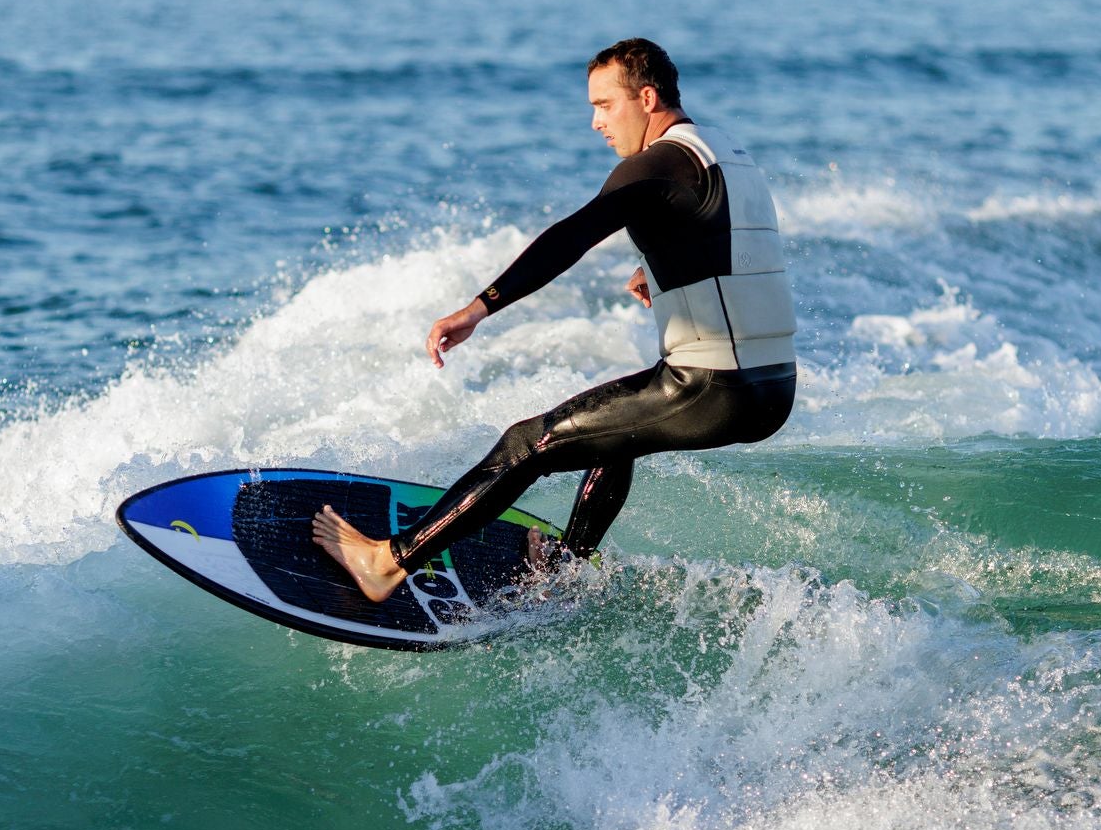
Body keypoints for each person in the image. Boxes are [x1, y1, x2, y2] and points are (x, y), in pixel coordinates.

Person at [313, 38, 798, 602]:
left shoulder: (651, 166)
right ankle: (568, 565)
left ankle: (388, 563)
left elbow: (569, 238)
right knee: (619, 431)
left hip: (714, 389)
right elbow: (732, 238)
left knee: (525, 443)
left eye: (604, 105)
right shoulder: (723, 153)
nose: (595, 123)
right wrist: (657, 267)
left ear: (646, 97)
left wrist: (479, 308)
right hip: (770, 388)